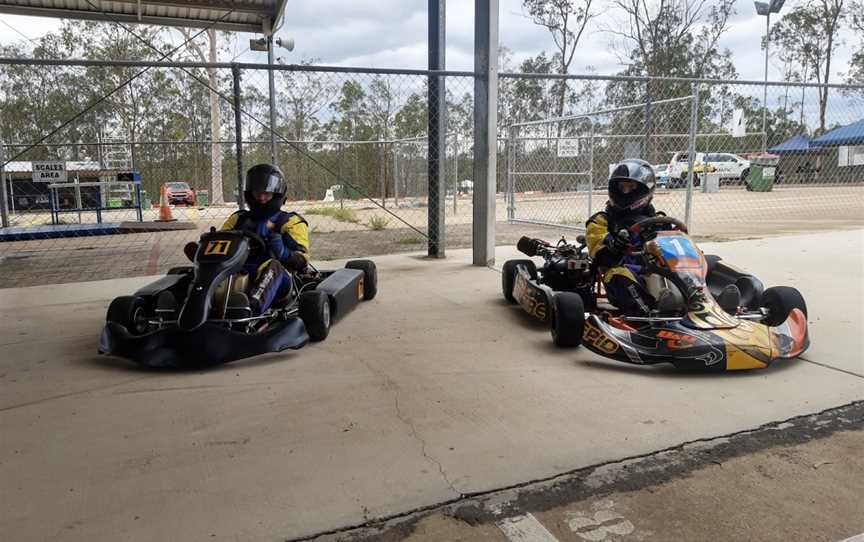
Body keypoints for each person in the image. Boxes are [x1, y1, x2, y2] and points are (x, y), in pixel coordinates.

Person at [182, 164, 310, 315]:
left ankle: (249, 308)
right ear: (250, 194)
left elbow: (302, 262)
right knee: (203, 270)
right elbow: (221, 241)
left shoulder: (290, 221)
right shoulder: (239, 218)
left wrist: (282, 252)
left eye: (267, 193)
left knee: (273, 265)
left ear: (277, 195)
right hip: (237, 270)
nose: (262, 198)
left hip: (276, 278)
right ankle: (184, 302)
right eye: (257, 193)